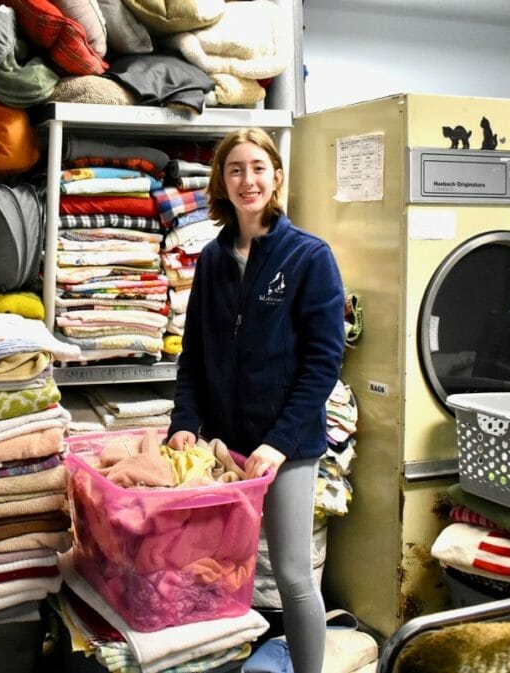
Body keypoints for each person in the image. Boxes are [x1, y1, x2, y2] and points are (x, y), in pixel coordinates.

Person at [167, 127, 346, 673]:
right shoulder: (214, 260)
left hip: (286, 447)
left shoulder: (309, 255)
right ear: (222, 181)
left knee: (292, 574)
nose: (248, 180)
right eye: (235, 169)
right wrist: (184, 422)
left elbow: (323, 364)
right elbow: (193, 355)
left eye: (258, 167)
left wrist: (279, 442)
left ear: (276, 177)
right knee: (216, 572)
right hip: (223, 447)